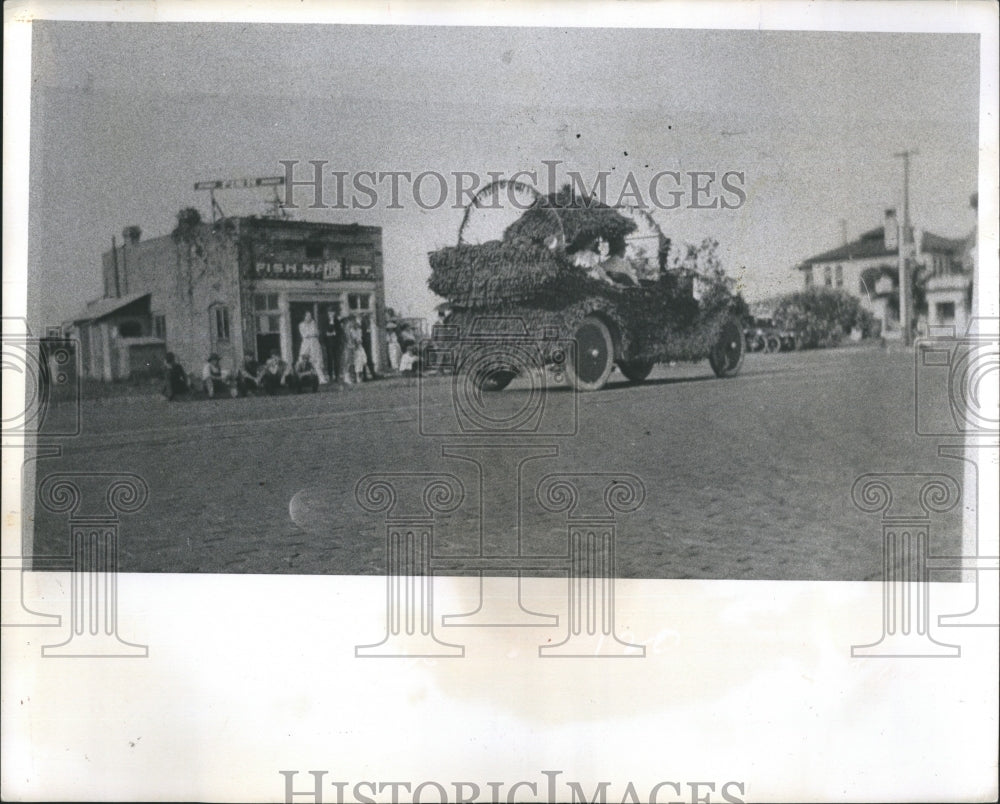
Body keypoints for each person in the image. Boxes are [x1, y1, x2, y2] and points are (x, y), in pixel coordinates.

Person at [297, 311, 328, 384]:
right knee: (303, 359)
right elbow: (304, 335)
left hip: (314, 343)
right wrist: (312, 334)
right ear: (304, 317)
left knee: (317, 360)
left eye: (310, 316)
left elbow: (317, 333)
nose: (309, 317)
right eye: (307, 316)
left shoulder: (313, 323)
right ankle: (300, 377)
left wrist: (313, 333)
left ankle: (321, 378)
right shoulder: (301, 325)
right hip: (306, 343)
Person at [323, 306, 343, 382]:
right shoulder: (325, 321)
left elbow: (339, 331)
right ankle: (330, 375)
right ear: (328, 313)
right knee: (330, 359)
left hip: (336, 343)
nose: (331, 314)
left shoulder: (337, 321)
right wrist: (328, 333)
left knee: (336, 359)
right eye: (330, 312)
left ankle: (337, 375)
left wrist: (335, 333)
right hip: (328, 344)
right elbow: (325, 332)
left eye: (332, 312)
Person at [360, 316, 378, 380]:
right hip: (363, 344)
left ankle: (372, 373)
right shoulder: (362, 327)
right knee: (364, 359)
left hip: (368, 343)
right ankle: (365, 375)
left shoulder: (369, 326)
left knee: (369, 358)